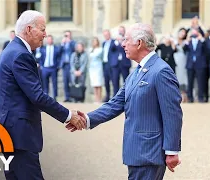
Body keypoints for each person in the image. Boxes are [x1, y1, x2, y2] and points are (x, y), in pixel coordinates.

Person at [67, 23, 183, 180]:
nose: (122, 44)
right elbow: (115, 103)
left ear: (139, 43)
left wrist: (171, 151)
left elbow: (172, 114)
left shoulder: (161, 71)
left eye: (126, 40)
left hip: (149, 153)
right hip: (136, 152)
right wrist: (86, 119)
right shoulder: (136, 73)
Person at [0, 10, 86, 180]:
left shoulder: (13, 49)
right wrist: (68, 115)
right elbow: (37, 96)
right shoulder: (20, 55)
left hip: (9, 131)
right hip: (18, 133)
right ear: (28, 29)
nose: (45, 34)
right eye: (42, 29)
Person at [183, 28, 207, 103]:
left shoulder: (201, 41)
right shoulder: (189, 42)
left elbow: (206, 49)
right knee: (190, 82)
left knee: (200, 82)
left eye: (195, 33)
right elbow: (184, 49)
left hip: (200, 64)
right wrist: (187, 40)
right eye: (192, 33)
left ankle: (200, 97)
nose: (194, 35)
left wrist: (202, 39)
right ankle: (190, 98)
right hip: (190, 64)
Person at [39, 35, 61, 100]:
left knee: (54, 83)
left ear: (52, 40)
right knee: (45, 83)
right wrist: (41, 66)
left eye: (51, 39)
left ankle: (54, 97)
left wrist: (58, 66)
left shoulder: (56, 48)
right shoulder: (43, 48)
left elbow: (58, 58)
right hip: (45, 68)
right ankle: (46, 97)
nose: (49, 40)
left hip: (53, 68)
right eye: (48, 39)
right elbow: (41, 58)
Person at [102, 29, 118, 101]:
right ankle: (107, 96)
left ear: (110, 34)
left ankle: (115, 97)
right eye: (105, 35)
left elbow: (115, 49)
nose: (106, 36)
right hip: (105, 64)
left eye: (107, 34)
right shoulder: (103, 43)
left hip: (112, 64)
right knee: (106, 81)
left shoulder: (114, 42)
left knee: (114, 81)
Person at [60, 30, 76, 102]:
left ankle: (73, 97)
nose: (67, 37)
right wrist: (62, 44)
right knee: (65, 81)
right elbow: (59, 52)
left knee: (72, 81)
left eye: (68, 35)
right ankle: (67, 97)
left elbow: (74, 50)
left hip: (71, 64)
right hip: (64, 64)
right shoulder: (63, 43)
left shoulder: (72, 43)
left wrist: (69, 42)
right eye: (65, 35)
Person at [174, 28, 188, 102]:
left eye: (184, 33)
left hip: (183, 60)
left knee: (183, 76)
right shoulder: (174, 40)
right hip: (175, 59)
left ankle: (184, 94)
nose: (182, 34)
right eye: (181, 32)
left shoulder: (186, 42)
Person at [88, 37, 104, 103]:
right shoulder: (90, 49)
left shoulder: (100, 49)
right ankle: (96, 98)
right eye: (93, 41)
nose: (94, 42)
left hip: (98, 67)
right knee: (94, 84)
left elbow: (101, 57)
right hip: (92, 68)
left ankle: (99, 99)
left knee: (98, 83)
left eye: (95, 41)